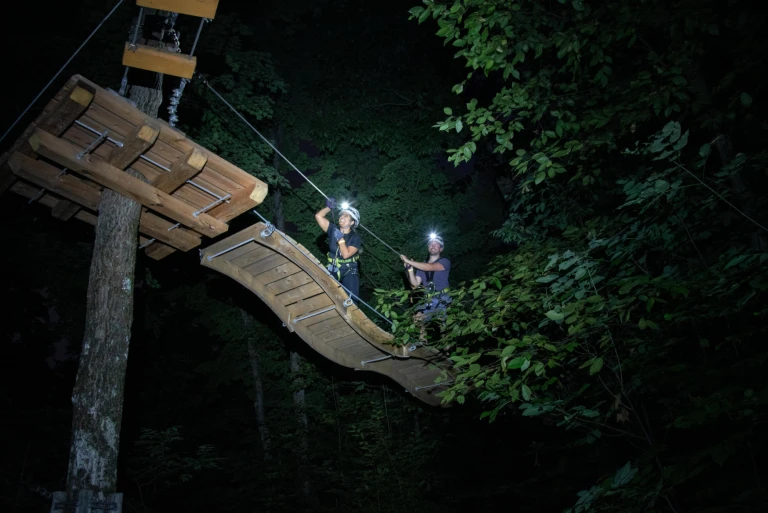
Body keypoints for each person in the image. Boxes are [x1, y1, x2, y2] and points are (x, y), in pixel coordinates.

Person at [400, 234, 451, 337]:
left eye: (436, 244)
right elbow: (415, 285)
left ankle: (447, 351)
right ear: (428, 248)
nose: (433, 245)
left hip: (443, 298)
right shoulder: (421, 265)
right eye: (431, 244)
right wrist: (410, 269)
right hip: (429, 300)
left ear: (441, 249)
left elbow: (429, 267)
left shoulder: (445, 262)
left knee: (444, 329)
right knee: (417, 319)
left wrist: (408, 261)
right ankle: (422, 343)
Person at [314, 197, 362, 301]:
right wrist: (329, 208)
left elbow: (346, 255)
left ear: (352, 222)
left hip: (349, 270)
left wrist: (340, 239)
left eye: (346, 216)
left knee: (351, 300)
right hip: (333, 268)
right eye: (341, 215)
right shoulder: (333, 229)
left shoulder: (355, 237)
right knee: (324, 294)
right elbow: (318, 216)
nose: (342, 217)